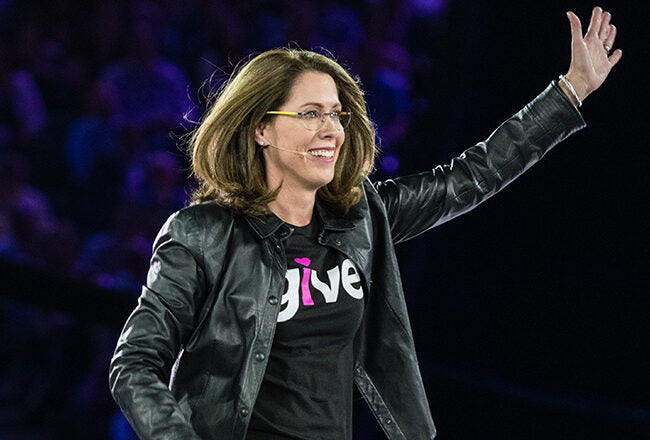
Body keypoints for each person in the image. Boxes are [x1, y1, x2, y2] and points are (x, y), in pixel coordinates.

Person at [109, 7, 622, 440]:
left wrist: (570, 90)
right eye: (310, 113)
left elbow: (472, 176)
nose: (332, 129)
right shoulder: (202, 234)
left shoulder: (361, 215)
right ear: (261, 128)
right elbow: (133, 364)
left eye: (336, 114)